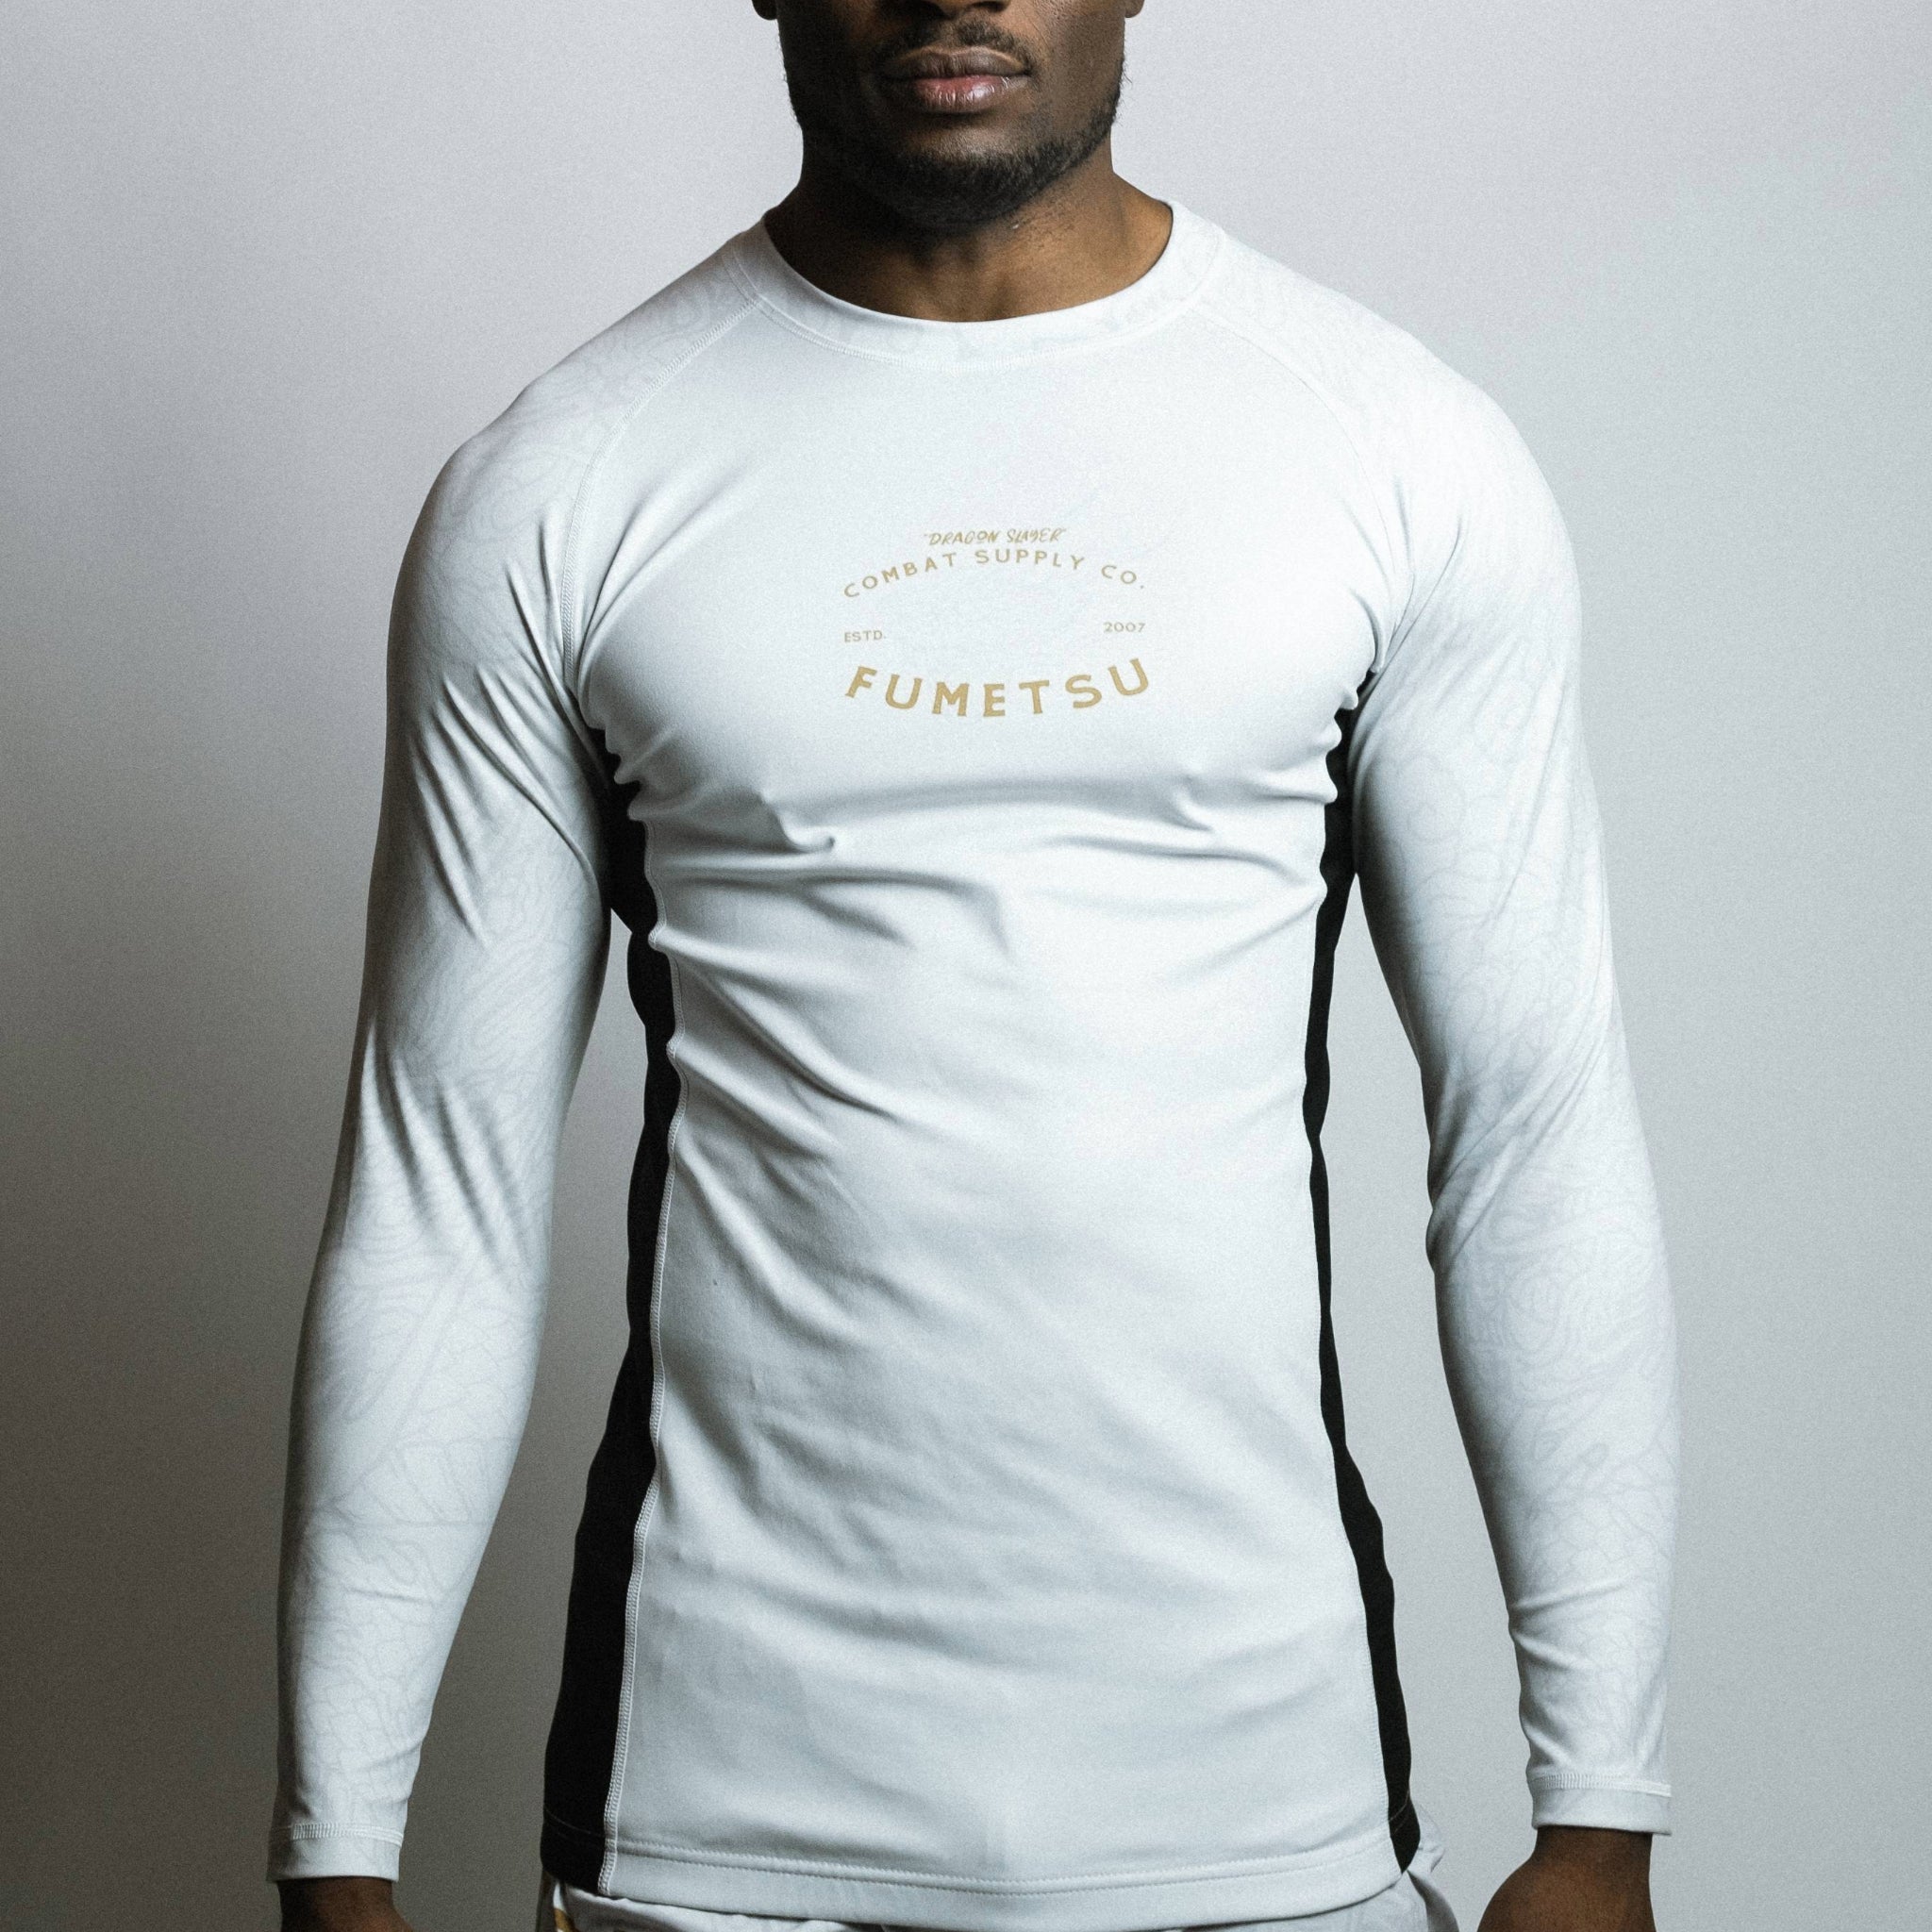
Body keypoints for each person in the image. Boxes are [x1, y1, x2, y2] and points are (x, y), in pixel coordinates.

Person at [268, 5, 1680, 1930]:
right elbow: (443, 1186)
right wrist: (335, 1848)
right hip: (717, 1823)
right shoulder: (564, 480)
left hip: (1266, 1804)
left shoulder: (1392, 450)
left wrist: (1598, 1812)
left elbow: (1532, 1130)